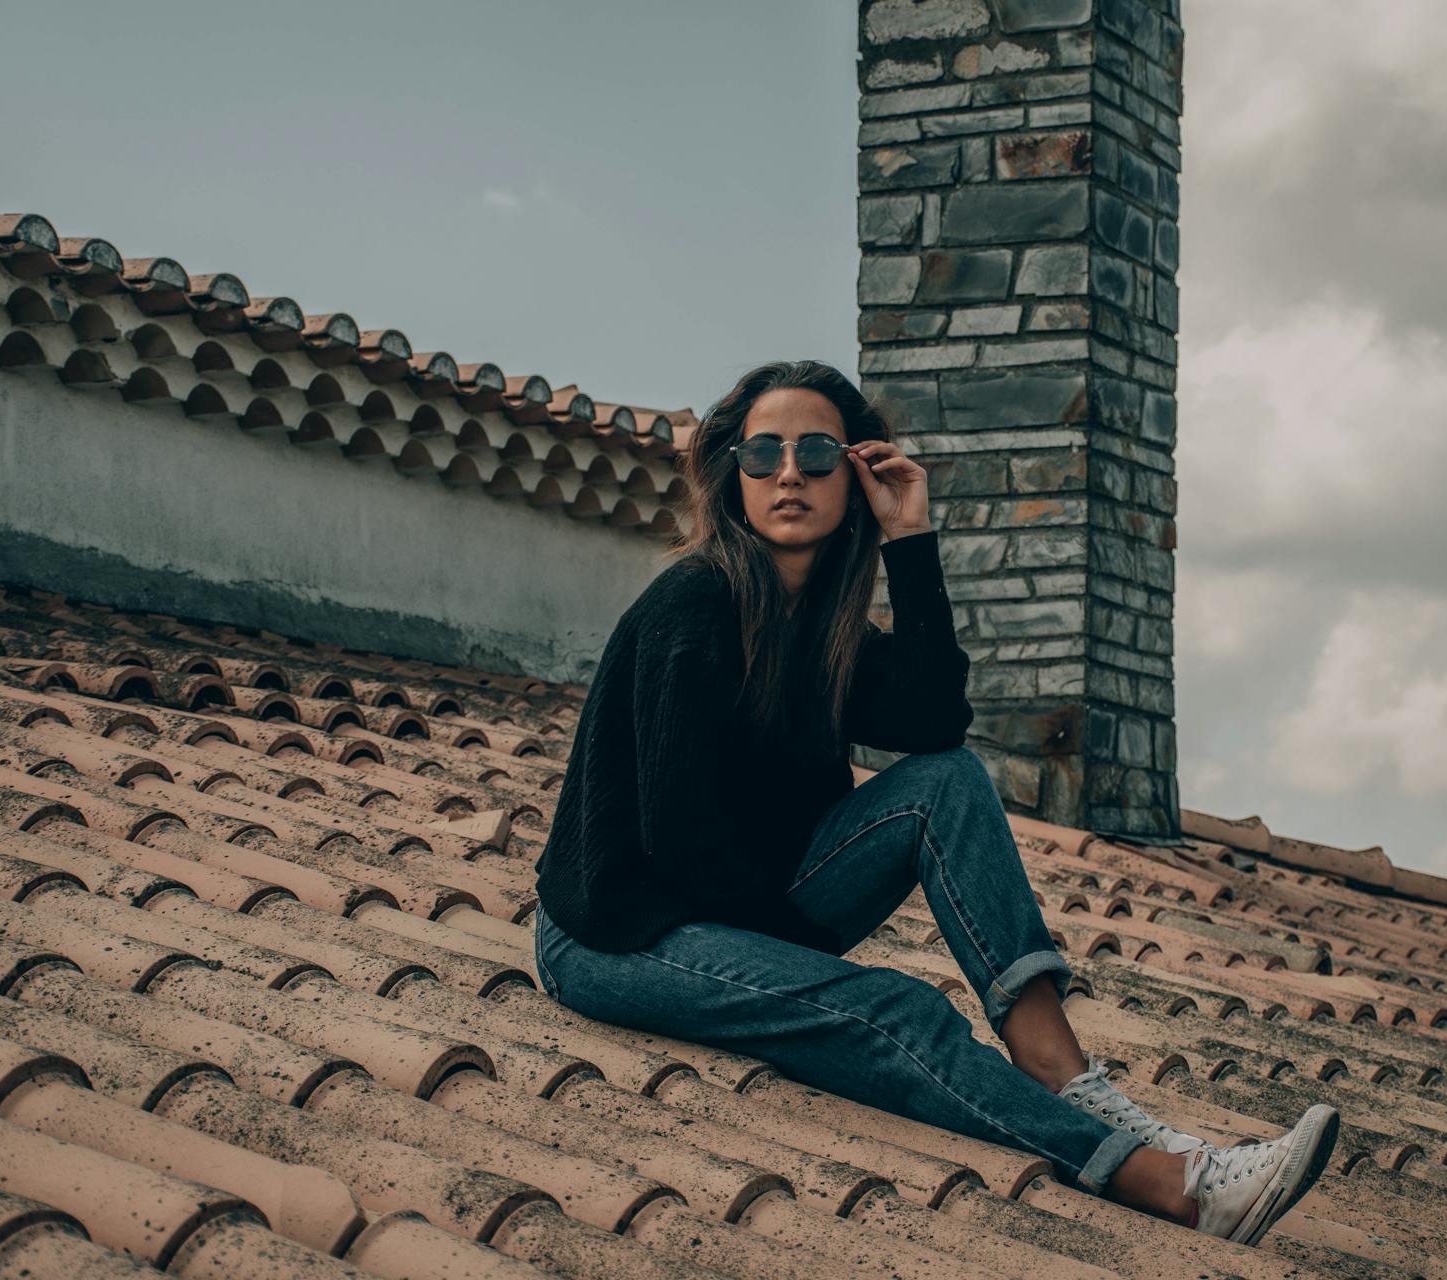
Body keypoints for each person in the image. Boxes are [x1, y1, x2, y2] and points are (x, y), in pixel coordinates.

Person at [532, 359, 1338, 1243]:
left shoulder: (823, 628)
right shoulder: (694, 605)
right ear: (734, 476)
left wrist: (910, 539)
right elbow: (678, 841)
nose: (788, 472)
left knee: (947, 785)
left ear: (855, 473)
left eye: (816, 452)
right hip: (621, 933)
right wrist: (819, 977)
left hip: (744, 908)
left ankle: (1064, 1077)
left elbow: (932, 722)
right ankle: (1172, 1185)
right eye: (762, 454)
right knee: (896, 1009)